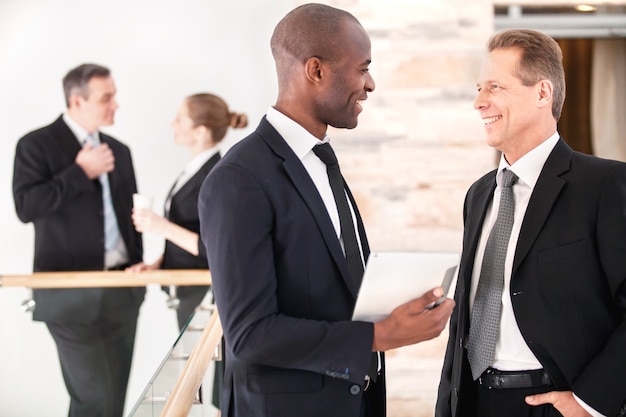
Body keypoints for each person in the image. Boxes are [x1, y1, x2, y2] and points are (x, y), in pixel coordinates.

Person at [198, 4, 455, 417]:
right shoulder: (238, 179)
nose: (370, 84)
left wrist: (395, 309)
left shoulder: (320, 159)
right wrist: (377, 335)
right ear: (315, 71)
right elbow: (249, 334)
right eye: (362, 68)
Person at [435, 29, 626, 417]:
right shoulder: (479, 194)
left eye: (495, 87)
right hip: (477, 402)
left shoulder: (605, 185)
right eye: (478, 88)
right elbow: (467, 322)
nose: (479, 102)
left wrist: (590, 403)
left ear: (543, 93)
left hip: (557, 404)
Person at [12, 63, 144, 417]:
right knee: (94, 398)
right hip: (68, 293)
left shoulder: (120, 149)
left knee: (114, 399)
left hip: (122, 292)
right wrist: (80, 172)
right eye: (107, 97)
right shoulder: (35, 144)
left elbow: (132, 218)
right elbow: (25, 207)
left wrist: (139, 274)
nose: (116, 104)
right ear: (77, 101)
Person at [127, 92, 247, 413]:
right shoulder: (194, 170)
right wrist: (158, 264)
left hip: (206, 293)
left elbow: (213, 246)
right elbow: (192, 231)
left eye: (180, 119)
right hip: (188, 289)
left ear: (201, 130)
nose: (172, 124)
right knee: (196, 378)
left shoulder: (217, 174)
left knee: (206, 380)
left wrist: (158, 225)